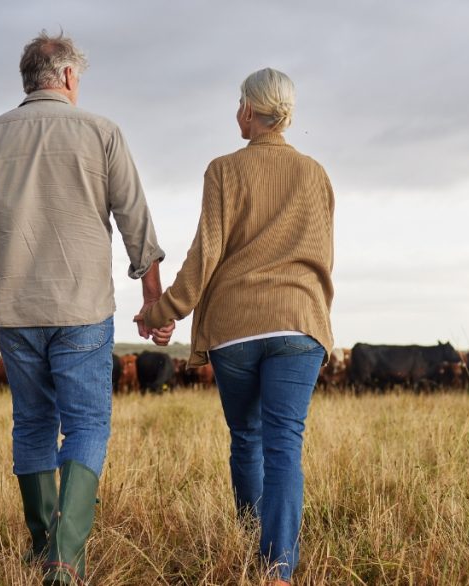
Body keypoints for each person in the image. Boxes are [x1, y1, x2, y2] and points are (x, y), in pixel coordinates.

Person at [0, 31, 166, 585]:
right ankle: (65, 560)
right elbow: (137, 222)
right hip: (84, 306)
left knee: (34, 424)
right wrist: (154, 299)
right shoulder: (102, 132)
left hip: (17, 311)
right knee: (87, 424)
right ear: (67, 77)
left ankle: (43, 546)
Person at [140, 68, 334, 585]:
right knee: (284, 444)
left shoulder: (222, 170)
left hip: (236, 329)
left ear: (250, 111)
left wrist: (163, 312)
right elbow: (323, 257)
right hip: (299, 322)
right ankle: (278, 570)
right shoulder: (316, 174)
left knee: (246, 437)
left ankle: (251, 544)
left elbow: (206, 254)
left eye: (238, 105)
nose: (236, 114)